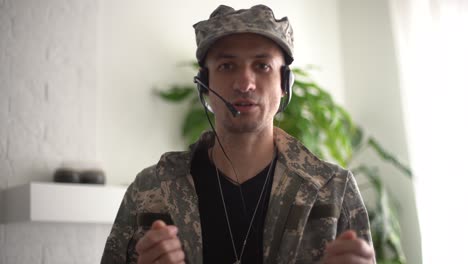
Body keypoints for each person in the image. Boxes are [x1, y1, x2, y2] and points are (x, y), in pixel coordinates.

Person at [101, 4, 375, 264]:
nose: (245, 84)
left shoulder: (333, 189)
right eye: (227, 66)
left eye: (262, 66)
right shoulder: (151, 188)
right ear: (205, 84)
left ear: (284, 83)